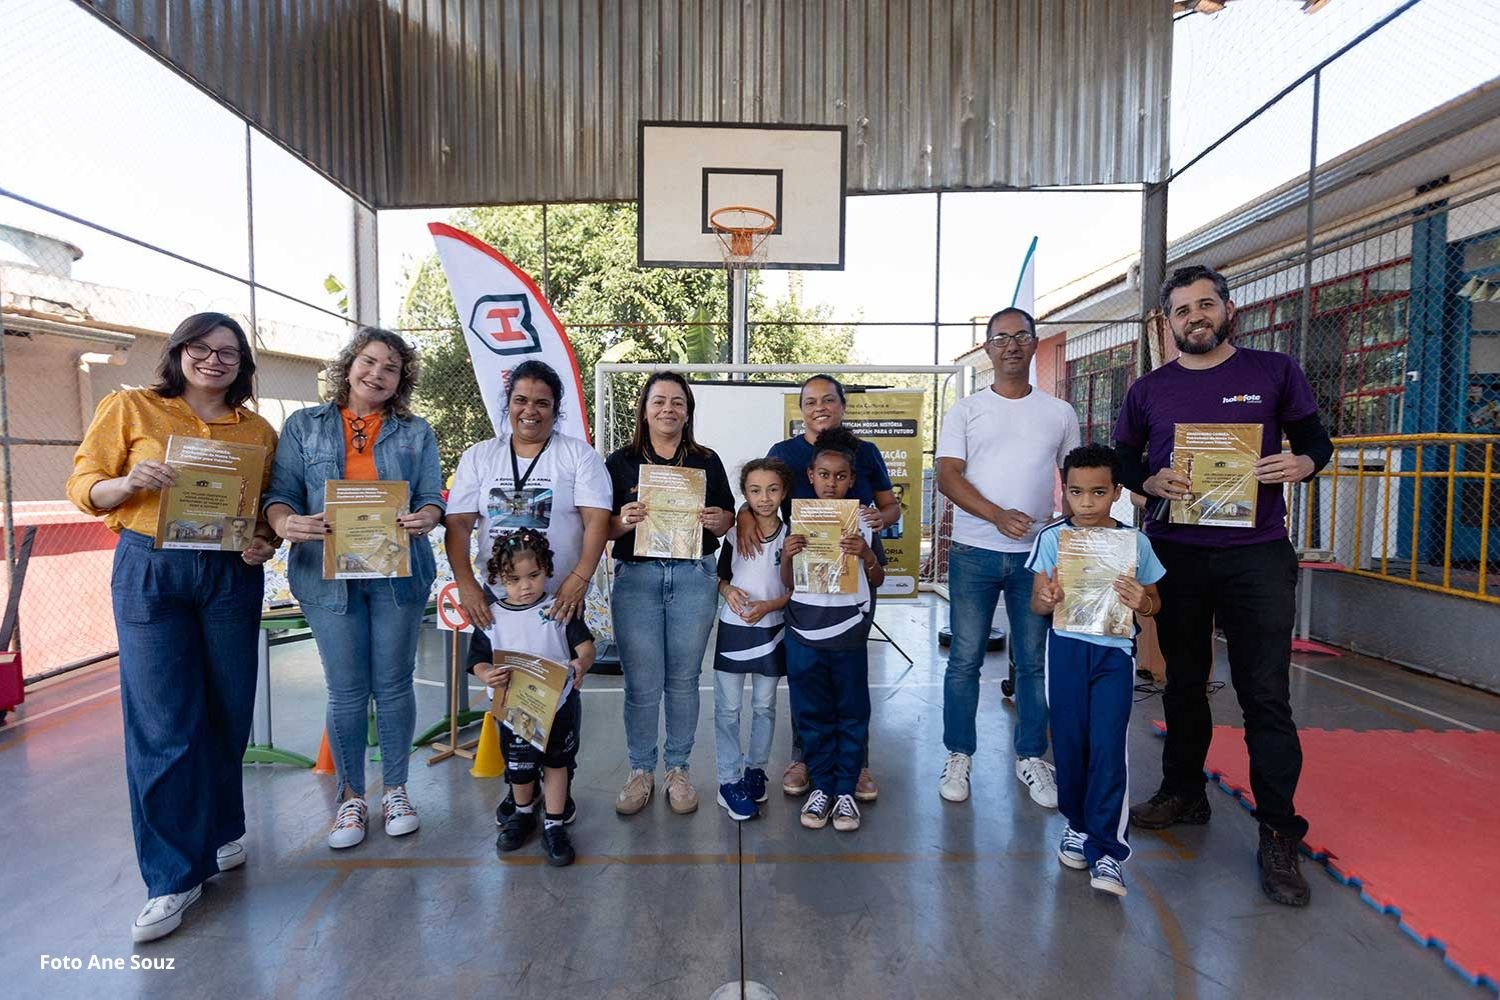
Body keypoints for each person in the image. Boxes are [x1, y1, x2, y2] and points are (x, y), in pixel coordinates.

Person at [1114, 264, 1333, 906]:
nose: (1195, 318)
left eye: (1205, 305)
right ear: (1169, 323)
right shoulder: (1148, 390)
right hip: (1177, 553)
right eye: (1182, 310)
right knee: (1183, 682)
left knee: (1264, 694)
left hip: (1255, 555)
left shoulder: (1274, 371)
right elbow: (1123, 457)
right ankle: (1185, 793)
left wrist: (1302, 463)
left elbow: (1316, 442)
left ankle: (1279, 832)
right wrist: (1148, 481)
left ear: (1228, 310)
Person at [66, 312, 279, 943]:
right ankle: (171, 876)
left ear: (242, 364)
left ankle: (219, 830)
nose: (214, 360)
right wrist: (127, 482)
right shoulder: (131, 408)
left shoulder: (257, 431)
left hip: (228, 575)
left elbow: (260, 513)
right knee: (163, 722)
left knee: (228, 710)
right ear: (179, 352)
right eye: (201, 348)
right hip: (151, 569)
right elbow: (83, 485)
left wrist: (263, 542)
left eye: (228, 352)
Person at [264, 328, 445, 850]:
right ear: (349, 365)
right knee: (345, 689)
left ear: (401, 380)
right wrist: (286, 522)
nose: (377, 374)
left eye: (391, 368)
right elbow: (279, 494)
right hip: (326, 576)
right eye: (369, 361)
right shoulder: (304, 426)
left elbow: (432, 496)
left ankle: (396, 791)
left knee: (393, 684)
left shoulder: (416, 432)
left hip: (397, 575)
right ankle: (350, 797)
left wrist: (426, 516)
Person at [445, 360, 611, 827]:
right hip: (499, 602)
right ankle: (521, 791)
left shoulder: (576, 456)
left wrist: (580, 577)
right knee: (509, 692)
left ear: (556, 409)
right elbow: (458, 523)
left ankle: (558, 794)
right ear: (509, 404)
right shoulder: (481, 456)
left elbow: (596, 519)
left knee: (559, 695)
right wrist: (467, 584)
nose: (530, 411)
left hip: (558, 598)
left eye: (542, 403)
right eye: (521, 400)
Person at [935, 307, 1081, 808]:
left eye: (1021, 336)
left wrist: (1081, 535)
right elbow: (948, 476)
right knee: (965, 659)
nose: (1012, 345)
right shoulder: (966, 410)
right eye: (1001, 338)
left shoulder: (1059, 413)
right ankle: (959, 754)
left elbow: (1077, 479)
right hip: (973, 552)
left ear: (1035, 343)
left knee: (1033, 662)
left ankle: (1031, 756)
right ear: (987, 348)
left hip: (1037, 556)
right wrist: (996, 515)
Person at [737, 374, 897, 801]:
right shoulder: (784, 452)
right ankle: (804, 757)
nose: (820, 407)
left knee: (848, 677)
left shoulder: (866, 452)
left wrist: (879, 521)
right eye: (810, 401)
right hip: (803, 577)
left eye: (828, 399)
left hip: (854, 571)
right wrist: (745, 517)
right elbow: (759, 495)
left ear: (842, 405)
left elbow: (889, 506)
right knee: (807, 674)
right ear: (801, 408)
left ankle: (857, 765)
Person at [1027, 444, 1165, 898]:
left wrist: (1141, 602)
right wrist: (1046, 598)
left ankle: (1108, 849)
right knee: (1069, 743)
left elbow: (1154, 602)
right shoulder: (1052, 539)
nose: (1086, 503)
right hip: (1066, 650)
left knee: (1107, 746)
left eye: (1098, 492)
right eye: (1076, 492)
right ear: (1064, 492)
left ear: (1117, 492)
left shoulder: (1135, 542)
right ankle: (1078, 825)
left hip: (1113, 655)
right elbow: (1037, 603)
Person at [608, 372, 735, 815]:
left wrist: (719, 520)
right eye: (659, 401)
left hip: (693, 577)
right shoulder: (619, 462)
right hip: (637, 579)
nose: (668, 409)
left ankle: (678, 769)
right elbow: (602, 527)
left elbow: (727, 517)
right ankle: (641, 770)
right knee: (641, 683)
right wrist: (623, 520)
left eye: (677, 402)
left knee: (683, 679)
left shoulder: (706, 460)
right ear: (644, 410)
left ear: (688, 411)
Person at [466, 529, 595, 867]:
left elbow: (585, 647)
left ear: (547, 571)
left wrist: (581, 663)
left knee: (557, 763)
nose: (525, 586)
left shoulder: (559, 610)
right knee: (519, 765)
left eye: (533, 576)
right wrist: (486, 674)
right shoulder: (491, 617)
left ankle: (554, 822)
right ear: (498, 578)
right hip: (512, 709)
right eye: (514, 579)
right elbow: (477, 660)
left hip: (558, 706)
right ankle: (523, 813)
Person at [781, 427, 887, 833]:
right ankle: (822, 786)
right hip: (804, 629)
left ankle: (845, 790)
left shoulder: (864, 520)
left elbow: (877, 578)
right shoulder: (796, 518)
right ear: (810, 476)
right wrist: (788, 556)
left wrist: (865, 554)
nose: (831, 483)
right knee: (812, 713)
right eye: (824, 475)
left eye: (840, 476)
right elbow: (786, 582)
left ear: (851, 479)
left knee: (852, 710)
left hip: (847, 630)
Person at [712, 458, 794, 821]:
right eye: (755, 491)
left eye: (772, 490)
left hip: (772, 629)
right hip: (734, 630)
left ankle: (755, 769)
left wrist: (770, 606)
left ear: (784, 492)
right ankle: (728, 780)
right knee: (727, 710)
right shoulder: (735, 535)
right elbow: (720, 578)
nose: (764, 498)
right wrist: (728, 591)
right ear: (744, 494)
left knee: (764, 706)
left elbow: (797, 588)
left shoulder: (792, 536)